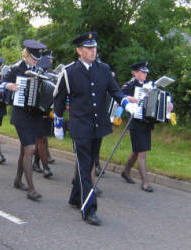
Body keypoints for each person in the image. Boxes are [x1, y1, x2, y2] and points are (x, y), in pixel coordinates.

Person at [53, 31, 139, 225]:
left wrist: (126, 104)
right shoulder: (69, 71)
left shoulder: (104, 69)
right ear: (79, 50)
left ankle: (75, 197)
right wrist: (58, 120)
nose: (93, 51)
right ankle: (89, 209)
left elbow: (115, 90)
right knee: (85, 166)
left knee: (90, 161)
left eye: (94, 48)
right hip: (80, 125)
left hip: (98, 124)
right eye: (89, 48)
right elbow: (59, 98)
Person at [0, 39, 52, 201]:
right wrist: (8, 86)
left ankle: (17, 180)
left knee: (24, 149)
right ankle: (31, 189)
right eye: (33, 58)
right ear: (26, 54)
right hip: (20, 114)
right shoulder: (16, 68)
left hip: (35, 114)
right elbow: (0, 85)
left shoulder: (41, 69)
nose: (35, 62)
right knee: (30, 149)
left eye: (37, 59)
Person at [121, 61, 172, 192]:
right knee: (142, 153)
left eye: (146, 72)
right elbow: (118, 95)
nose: (145, 74)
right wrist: (129, 98)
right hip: (135, 122)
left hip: (146, 122)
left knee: (137, 150)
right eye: (142, 72)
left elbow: (163, 97)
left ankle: (126, 172)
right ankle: (145, 182)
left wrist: (169, 104)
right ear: (134, 73)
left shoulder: (150, 86)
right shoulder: (130, 85)